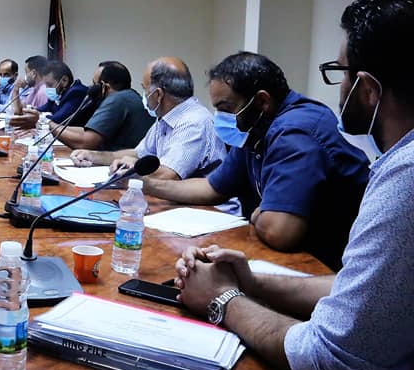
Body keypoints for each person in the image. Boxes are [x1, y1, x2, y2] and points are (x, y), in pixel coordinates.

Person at [174, 0, 414, 370]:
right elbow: (368, 290)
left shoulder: (405, 175)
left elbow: (332, 368)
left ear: (368, 88)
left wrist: (223, 300)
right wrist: (252, 280)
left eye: (340, 72)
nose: (338, 87)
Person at [144, 51, 369, 270]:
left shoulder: (295, 132)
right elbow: (212, 187)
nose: (220, 117)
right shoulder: (255, 130)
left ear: (262, 101)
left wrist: (259, 214)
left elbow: (279, 231)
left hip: (331, 268)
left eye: (226, 108)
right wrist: (145, 185)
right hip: (290, 257)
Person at [71, 57, 225, 181]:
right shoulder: (165, 118)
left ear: (158, 95)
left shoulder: (194, 122)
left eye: (144, 89)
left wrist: (133, 166)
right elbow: (138, 153)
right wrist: (93, 155)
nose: (143, 95)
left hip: (205, 208)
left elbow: (168, 175)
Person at [50, 60, 153, 151]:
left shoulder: (116, 100)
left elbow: (85, 142)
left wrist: (51, 127)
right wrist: (54, 126)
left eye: (95, 84)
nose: (91, 87)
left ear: (104, 87)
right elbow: (87, 131)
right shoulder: (129, 96)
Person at [9, 61, 90, 129]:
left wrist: (38, 116)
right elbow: (40, 110)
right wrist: (32, 112)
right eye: (46, 85)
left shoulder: (76, 92)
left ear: (64, 80)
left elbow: (57, 120)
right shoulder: (58, 93)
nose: (47, 88)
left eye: (50, 84)